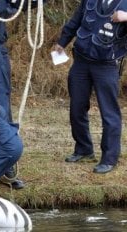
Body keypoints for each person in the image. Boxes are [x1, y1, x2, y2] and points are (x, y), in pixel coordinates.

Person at [54, 0, 126, 174]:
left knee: (109, 114)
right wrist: (61, 42)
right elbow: (75, 20)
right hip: (81, 62)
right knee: (76, 108)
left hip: (107, 65)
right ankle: (84, 149)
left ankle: (109, 158)